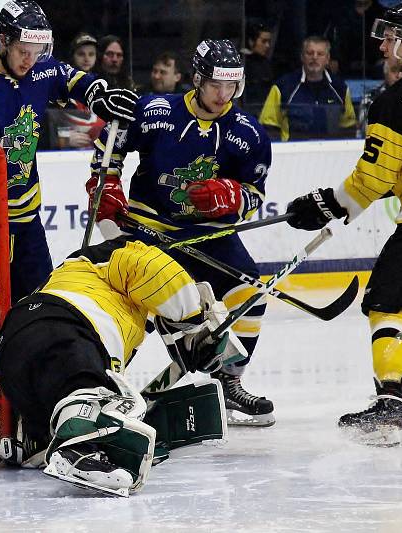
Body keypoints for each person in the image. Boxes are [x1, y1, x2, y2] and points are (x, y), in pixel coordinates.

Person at [0, 0, 138, 435]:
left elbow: (72, 79)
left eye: (38, 51)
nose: (30, 61)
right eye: (22, 52)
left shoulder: (40, 68)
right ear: (3, 42)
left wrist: (99, 94)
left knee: (37, 305)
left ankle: (29, 397)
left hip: (24, 213)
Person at [86, 39, 275, 427]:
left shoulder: (250, 135)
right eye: (215, 85)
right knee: (128, 309)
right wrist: (105, 188)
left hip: (209, 235)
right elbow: (109, 150)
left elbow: (255, 194)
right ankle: (100, 389)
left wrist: (231, 196)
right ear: (197, 79)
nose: (223, 95)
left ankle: (230, 381)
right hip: (149, 227)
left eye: (232, 86)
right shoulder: (156, 111)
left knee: (251, 293)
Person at [0, 236, 239, 494]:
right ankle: (77, 447)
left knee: (92, 393)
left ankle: (43, 438)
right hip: (62, 324)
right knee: (84, 387)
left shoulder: (86, 293)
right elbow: (152, 266)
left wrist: (8, 423)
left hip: (14, 344)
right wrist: (195, 321)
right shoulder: (110, 259)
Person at [285, 2, 402, 447]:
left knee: (387, 305)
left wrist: (326, 205)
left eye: (393, 35)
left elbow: (375, 179)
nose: (383, 42)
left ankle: (389, 405)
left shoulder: (397, 101)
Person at [259, 35, 356, 141]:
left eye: (320, 54)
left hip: (330, 153)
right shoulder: (283, 86)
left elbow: (349, 128)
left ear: (327, 59)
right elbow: (268, 127)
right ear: (302, 57)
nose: (314, 57)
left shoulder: (340, 88)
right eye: (310, 53)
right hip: (293, 153)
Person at [49, 33, 103, 149]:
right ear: (73, 56)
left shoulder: (103, 86)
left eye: (91, 54)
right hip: (67, 153)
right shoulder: (60, 84)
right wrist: (62, 138)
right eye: (81, 54)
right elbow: (51, 119)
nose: (87, 58)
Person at [357, 59, 402, 136]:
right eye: (394, 71)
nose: (398, 75)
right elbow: (366, 132)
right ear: (385, 73)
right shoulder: (370, 98)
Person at [240, 22, 274, 114]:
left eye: (269, 42)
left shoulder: (267, 63)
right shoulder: (240, 63)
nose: (267, 46)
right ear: (251, 41)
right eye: (263, 41)